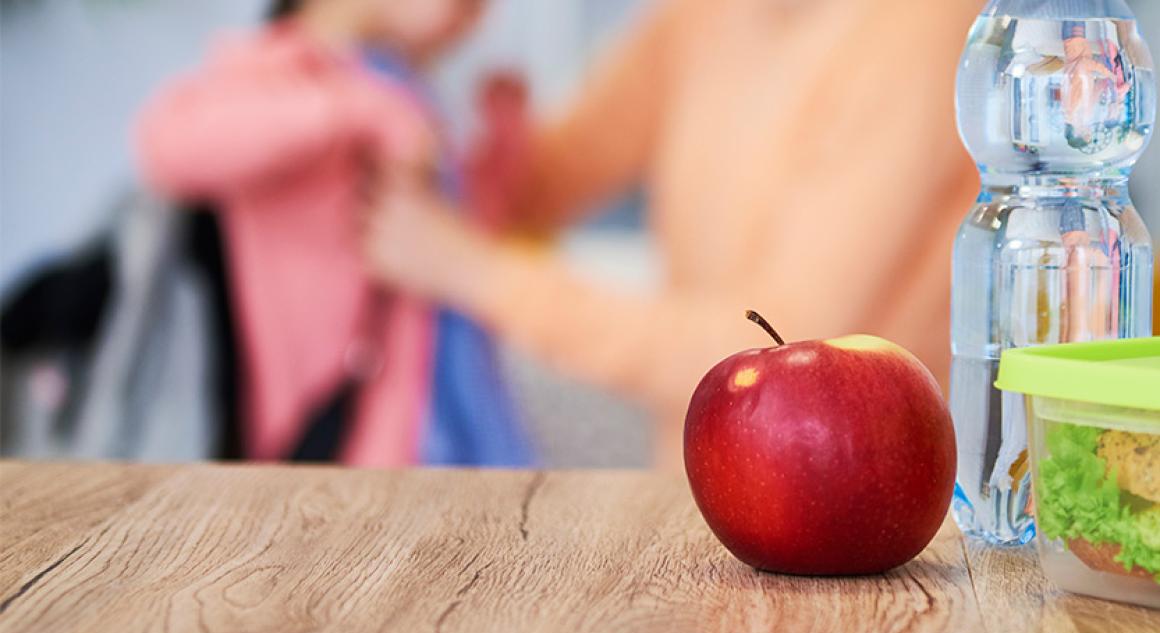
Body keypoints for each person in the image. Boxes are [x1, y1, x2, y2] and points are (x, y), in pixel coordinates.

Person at [363, 0, 984, 468]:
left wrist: (474, 272)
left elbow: (784, 348)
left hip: (866, 502)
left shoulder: (921, 38)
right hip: (711, 487)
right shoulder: (706, 15)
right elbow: (551, 178)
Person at [136, 0, 535, 466]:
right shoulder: (284, 66)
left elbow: (453, 240)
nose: (480, 13)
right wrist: (355, 110)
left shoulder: (407, 83)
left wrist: (504, 149)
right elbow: (167, 146)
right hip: (356, 426)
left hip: (456, 406)